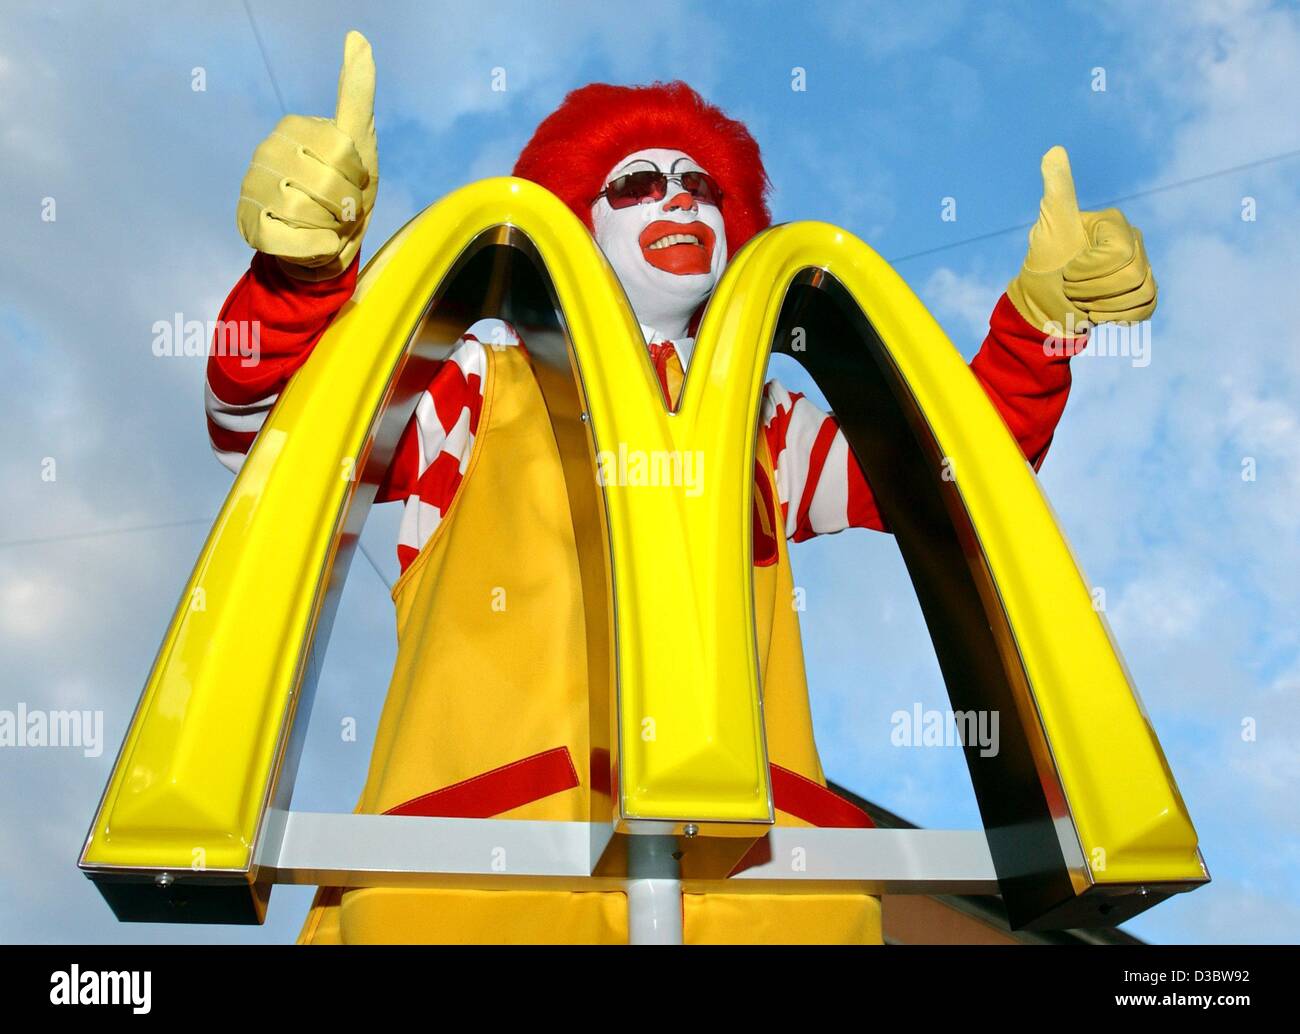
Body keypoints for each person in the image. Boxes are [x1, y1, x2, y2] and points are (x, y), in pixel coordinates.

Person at [207, 32, 1156, 944]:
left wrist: (1041, 327)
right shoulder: (479, 380)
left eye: (703, 186)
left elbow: (954, 481)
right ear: (575, 219)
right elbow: (274, 435)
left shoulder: (761, 421)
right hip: (487, 872)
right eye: (638, 183)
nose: (681, 202)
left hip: (753, 895)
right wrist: (298, 279)